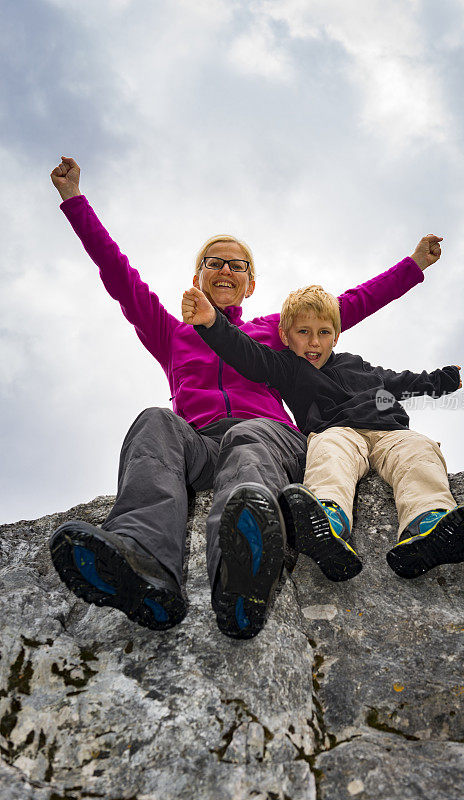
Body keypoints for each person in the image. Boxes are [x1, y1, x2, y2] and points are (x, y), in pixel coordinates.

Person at [48, 155, 443, 640]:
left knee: (248, 433)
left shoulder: (272, 332)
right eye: (213, 262)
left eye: (237, 264)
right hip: (200, 443)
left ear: (250, 283)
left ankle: (241, 571)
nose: (225, 268)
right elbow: (118, 273)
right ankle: (143, 562)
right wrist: (74, 199)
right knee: (154, 420)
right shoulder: (173, 333)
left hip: (271, 439)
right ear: (199, 279)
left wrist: (414, 265)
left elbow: (348, 306)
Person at [181, 283, 464, 582]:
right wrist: (212, 324)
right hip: (336, 430)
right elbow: (249, 355)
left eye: (323, 333)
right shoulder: (288, 368)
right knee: (328, 453)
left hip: (389, 431)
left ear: (336, 336)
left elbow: (402, 381)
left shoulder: (358, 366)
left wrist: (441, 381)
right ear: (285, 336)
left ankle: (429, 524)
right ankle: (326, 521)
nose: (314, 342)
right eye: (303, 333)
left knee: (419, 451)